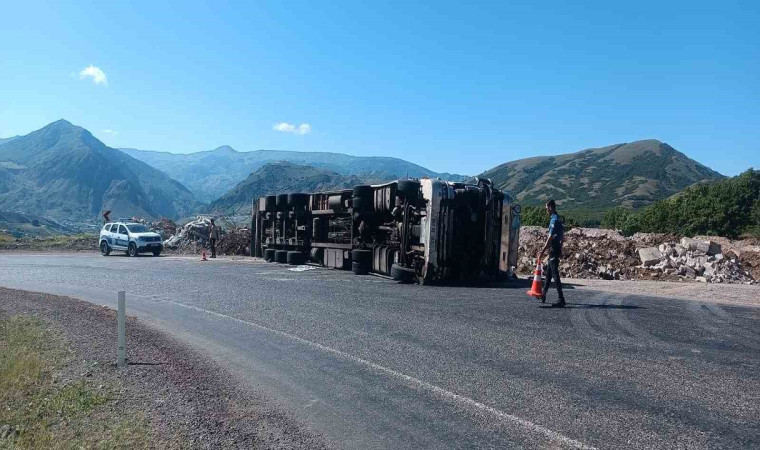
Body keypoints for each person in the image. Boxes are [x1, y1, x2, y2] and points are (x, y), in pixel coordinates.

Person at [537, 199, 565, 307]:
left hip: (553, 249)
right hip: (556, 249)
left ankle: (561, 299)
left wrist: (543, 251)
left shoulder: (554, 220)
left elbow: (550, 238)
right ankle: (543, 295)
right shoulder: (559, 219)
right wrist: (560, 250)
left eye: (546, 209)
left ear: (550, 207)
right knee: (548, 273)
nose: (546, 211)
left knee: (554, 274)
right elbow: (562, 237)